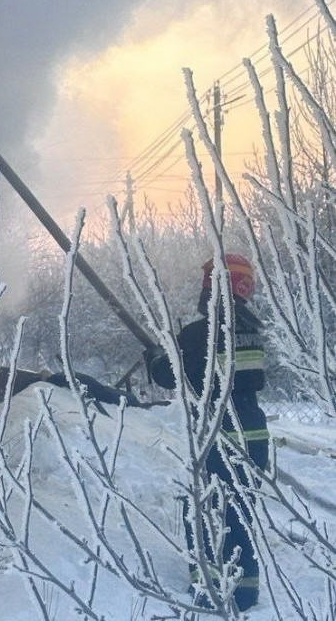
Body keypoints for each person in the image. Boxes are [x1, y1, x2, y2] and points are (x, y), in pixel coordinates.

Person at [148, 253, 269, 613]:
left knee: (202, 509)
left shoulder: (201, 332)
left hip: (220, 432)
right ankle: (245, 592)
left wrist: (157, 355)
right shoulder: (252, 329)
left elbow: (168, 375)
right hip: (253, 431)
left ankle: (209, 590)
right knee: (239, 513)